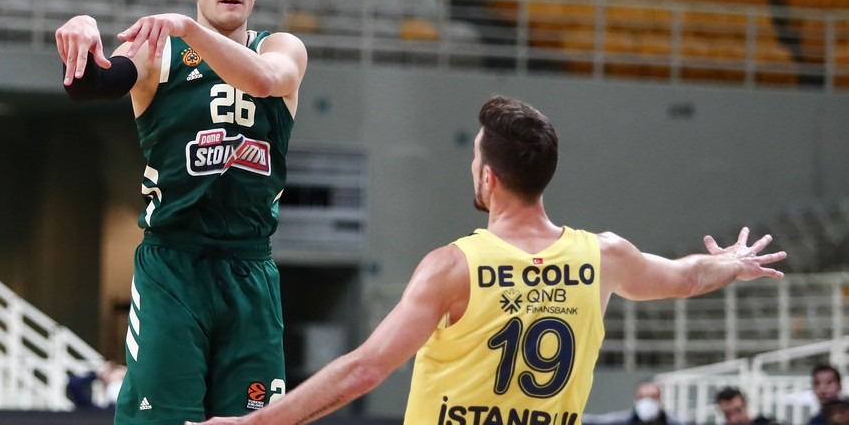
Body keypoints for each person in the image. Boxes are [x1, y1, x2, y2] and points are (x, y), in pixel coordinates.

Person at [187, 95, 786, 425]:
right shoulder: (603, 255)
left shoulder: (453, 266)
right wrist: (733, 264)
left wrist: (255, 424)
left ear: (488, 178)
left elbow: (365, 370)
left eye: (476, 157)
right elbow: (686, 277)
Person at [55, 0, 308, 424]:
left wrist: (191, 30)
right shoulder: (158, 48)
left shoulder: (280, 47)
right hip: (173, 264)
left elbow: (264, 81)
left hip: (250, 267)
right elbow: (93, 84)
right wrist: (80, 34)